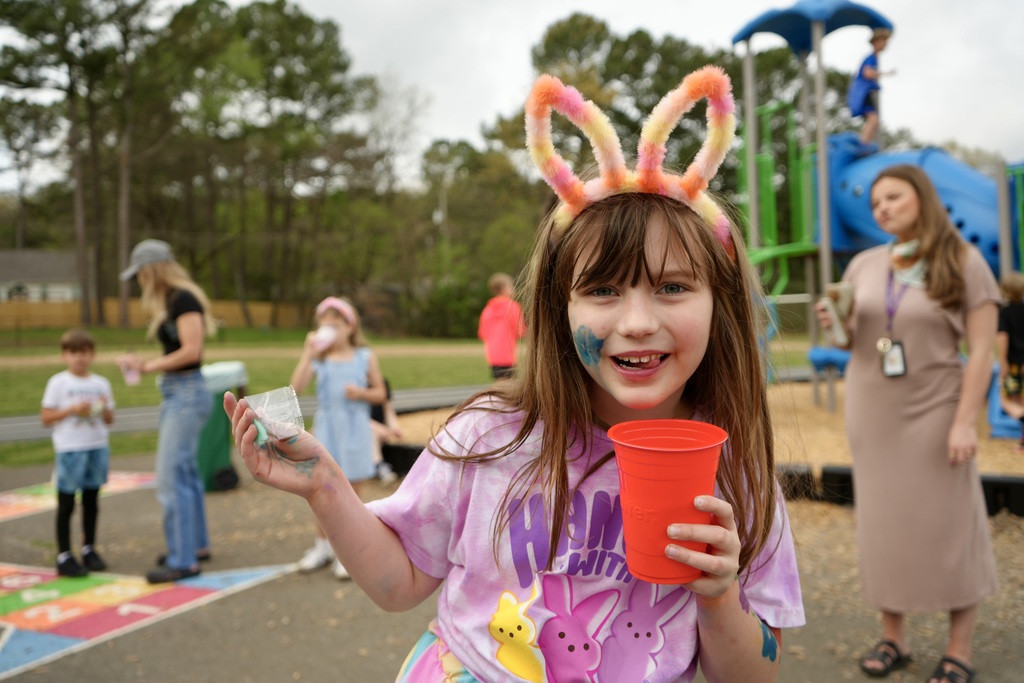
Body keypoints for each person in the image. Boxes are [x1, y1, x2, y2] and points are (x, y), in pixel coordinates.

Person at [225, 65, 804, 681]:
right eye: (603, 289)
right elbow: (398, 583)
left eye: (672, 286)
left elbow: (754, 675)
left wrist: (718, 596)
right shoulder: (489, 437)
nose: (636, 321)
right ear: (560, 309)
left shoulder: (736, 474)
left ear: (719, 303)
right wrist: (324, 486)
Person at [817, 165, 998, 683]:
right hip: (873, 412)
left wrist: (966, 423)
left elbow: (982, 350)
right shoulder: (865, 265)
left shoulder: (964, 261)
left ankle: (959, 647)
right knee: (883, 524)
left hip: (938, 409)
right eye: (876, 203)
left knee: (952, 523)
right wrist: (837, 326)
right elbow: (848, 344)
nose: (882, 209)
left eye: (893, 197)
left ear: (922, 198)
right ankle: (894, 636)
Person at [117, 239, 218, 584]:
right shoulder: (172, 301)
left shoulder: (183, 299)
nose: (139, 281)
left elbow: (192, 350)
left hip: (186, 392)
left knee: (171, 478)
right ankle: (194, 546)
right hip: (179, 392)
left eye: (140, 274)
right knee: (186, 474)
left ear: (152, 269)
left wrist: (147, 366)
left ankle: (183, 559)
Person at [290, 296, 387, 579]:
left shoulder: (364, 356)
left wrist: (362, 394)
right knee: (321, 488)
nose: (328, 330)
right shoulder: (319, 359)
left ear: (349, 326)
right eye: (323, 325)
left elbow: (381, 393)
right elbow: (295, 388)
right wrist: (307, 353)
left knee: (352, 492)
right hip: (327, 430)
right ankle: (323, 547)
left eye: (334, 324)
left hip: (355, 431)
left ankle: (349, 551)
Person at [40, 328, 115, 577]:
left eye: (83, 352)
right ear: (64, 355)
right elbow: (46, 417)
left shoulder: (100, 384)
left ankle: (89, 548)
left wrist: (100, 409)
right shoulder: (58, 382)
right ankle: (64, 555)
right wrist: (72, 409)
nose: (79, 358)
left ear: (92, 354)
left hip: (96, 446)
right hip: (70, 449)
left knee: (92, 501)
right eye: (73, 353)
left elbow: (110, 418)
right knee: (67, 503)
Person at [847, 27, 894, 148]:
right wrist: (882, 73)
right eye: (883, 41)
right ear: (875, 42)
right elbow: (866, 73)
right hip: (863, 93)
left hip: (865, 93)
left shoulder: (874, 58)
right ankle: (862, 145)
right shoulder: (871, 58)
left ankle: (865, 144)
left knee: (874, 121)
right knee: (873, 120)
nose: (885, 44)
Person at [477, 272, 525, 380]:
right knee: (509, 389)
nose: (513, 288)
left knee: (499, 385)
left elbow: (482, 333)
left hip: (493, 355)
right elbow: (521, 331)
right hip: (508, 355)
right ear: (503, 288)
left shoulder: (487, 309)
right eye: (511, 285)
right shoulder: (513, 307)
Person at [996, 271, 1024, 446]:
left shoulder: (1005, 313)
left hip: (1014, 364)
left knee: (1007, 401)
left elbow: (1002, 337)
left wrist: (1003, 362)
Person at [370, 378, 402, 484]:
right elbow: (357, 418)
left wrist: (395, 428)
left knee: (376, 434)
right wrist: (380, 428)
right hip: (363, 429)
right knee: (372, 431)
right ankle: (380, 466)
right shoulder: (357, 385)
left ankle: (376, 465)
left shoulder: (382, 383)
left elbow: (388, 410)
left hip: (379, 431)